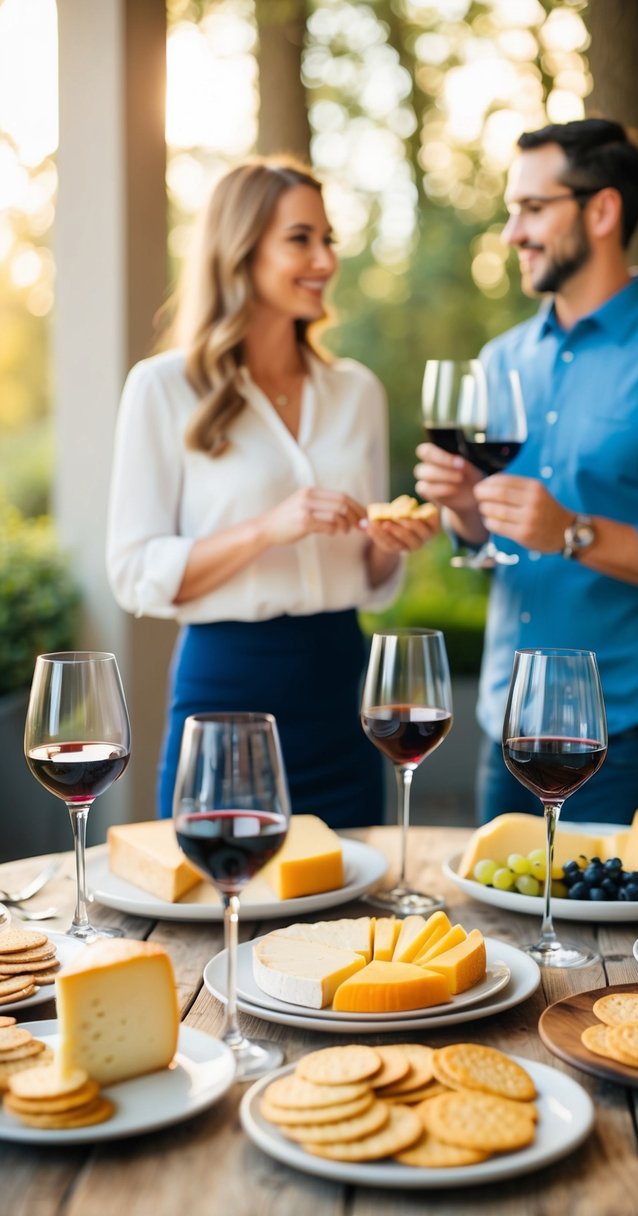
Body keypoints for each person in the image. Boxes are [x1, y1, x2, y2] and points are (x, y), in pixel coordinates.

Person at [414, 118, 638, 825]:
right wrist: (466, 513)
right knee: (504, 930)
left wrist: (571, 530)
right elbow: (492, 544)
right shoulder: (502, 359)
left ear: (601, 210)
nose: (512, 233)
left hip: (623, 739)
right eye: (511, 211)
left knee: (600, 935)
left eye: (533, 209)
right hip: (503, 723)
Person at [107, 158, 439, 827]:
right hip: (226, 691)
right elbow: (134, 572)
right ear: (241, 251)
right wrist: (267, 527)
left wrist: (390, 544)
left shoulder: (356, 391)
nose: (324, 259)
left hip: (342, 692)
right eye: (300, 238)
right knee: (219, 910)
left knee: (349, 921)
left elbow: (371, 575)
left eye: (328, 240)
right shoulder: (163, 387)